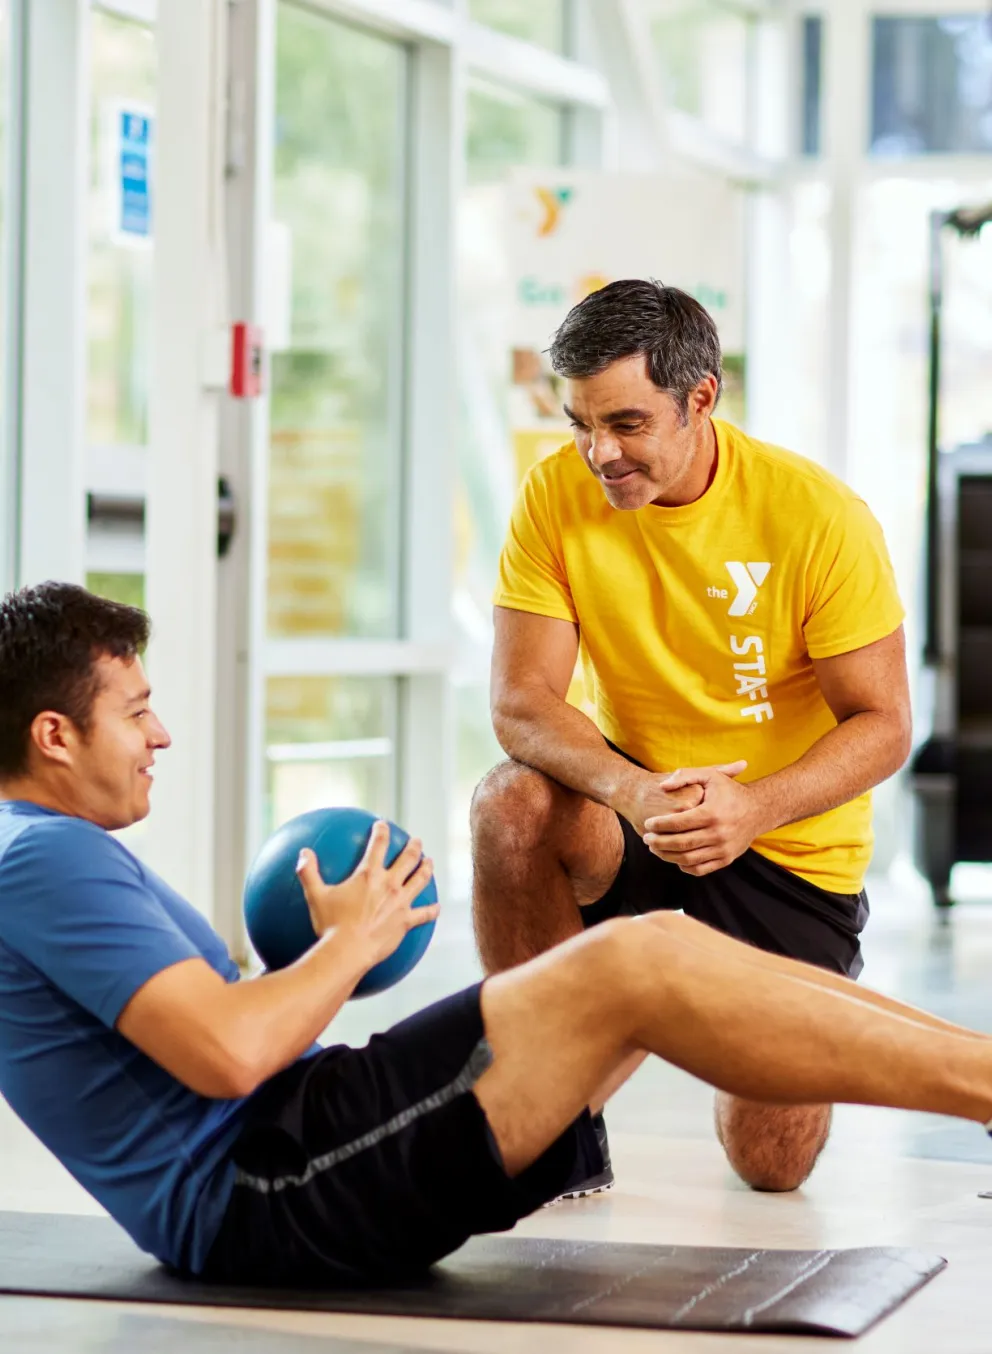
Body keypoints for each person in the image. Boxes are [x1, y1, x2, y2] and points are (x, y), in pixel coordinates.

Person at [4, 582, 984, 1291]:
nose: (161, 735)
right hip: (268, 1180)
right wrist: (350, 942)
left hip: (296, 1136)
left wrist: (302, 963)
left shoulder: (40, 853)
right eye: (137, 713)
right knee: (634, 962)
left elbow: (203, 1035)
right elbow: (226, 1054)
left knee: (655, 949)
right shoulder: (42, 860)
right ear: (54, 735)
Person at [472, 279, 911, 1200]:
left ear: (701, 397)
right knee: (510, 803)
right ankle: (557, 1110)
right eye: (581, 424)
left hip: (784, 844)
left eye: (627, 423)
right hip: (640, 814)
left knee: (772, 1165)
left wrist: (754, 807)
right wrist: (631, 790)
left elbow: (883, 724)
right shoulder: (555, 494)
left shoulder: (816, 516)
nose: (600, 453)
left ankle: (653, 1010)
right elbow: (521, 702)